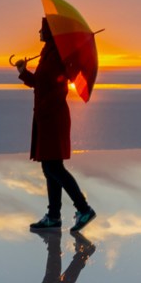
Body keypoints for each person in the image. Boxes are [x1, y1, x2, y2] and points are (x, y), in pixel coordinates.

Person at [16, 18, 97, 232]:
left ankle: (83, 209)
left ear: (50, 32)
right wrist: (24, 72)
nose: (39, 32)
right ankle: (54, 215)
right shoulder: (49, 52)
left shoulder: (57, 54)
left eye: (42, 29)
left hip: (52, 117)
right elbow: (42, 84)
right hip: (46, 116)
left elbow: (55, 86)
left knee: (53, 167)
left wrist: (44, 108)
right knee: (49, 166)